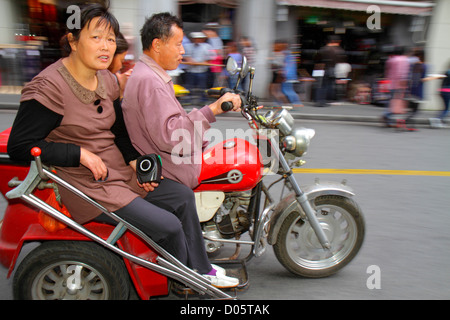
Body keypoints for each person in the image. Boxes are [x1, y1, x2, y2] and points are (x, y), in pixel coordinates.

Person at [7, 4, 235, 289]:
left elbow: (117, 127)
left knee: (181, 195)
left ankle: (200, 268)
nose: (106, 47)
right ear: (73, 41)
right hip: (86, 183)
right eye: (96, 38)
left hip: (117, 171)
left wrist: (132, 160)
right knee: (168, 225)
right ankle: (185, 281)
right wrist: (78, 153)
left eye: (111, 39)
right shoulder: (49, 87)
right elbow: (20, 145)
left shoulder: (105, 79)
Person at [121, 12, 242, 287]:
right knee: (184, 197)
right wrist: (212, 110)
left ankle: (200, 265)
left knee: (186, 197)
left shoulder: (151, 76)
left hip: (163, 162)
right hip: (161, 167)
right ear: (157, 45)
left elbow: (167, 123)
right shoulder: (150, 82)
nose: (182, 51)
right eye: (177, 44)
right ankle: (198, 271)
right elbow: (170, 135)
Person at [429, 61, 450, 128]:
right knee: (446, 109)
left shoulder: (447, 71)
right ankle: (438, 119)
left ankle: (438, 120)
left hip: (443, 90)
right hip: (448, 91)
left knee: (445, 108)